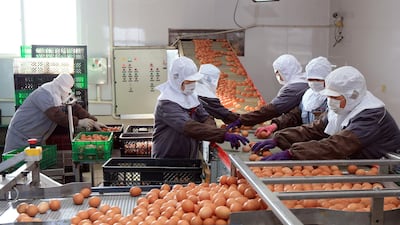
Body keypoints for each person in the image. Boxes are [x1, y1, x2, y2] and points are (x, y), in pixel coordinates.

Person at [252, 66, 400, 160]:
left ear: (352, 95)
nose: (330, 102)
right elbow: (314, 129)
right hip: (362, 164)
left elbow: (337, 145)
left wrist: (293, 153)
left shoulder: (370, 114)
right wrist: (279, 139)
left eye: (334, 98)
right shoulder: (345, 107)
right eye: (328, 97)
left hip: (386, 171)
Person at [152, 56, 249, 159]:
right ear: (177, 80)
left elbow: (206, 117)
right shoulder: (166, 103)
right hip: (168, 159)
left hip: (188, 156)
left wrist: (213, 133)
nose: (192, 85)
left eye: (194, 81)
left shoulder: (191, 97)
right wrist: (222, 135)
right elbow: (189, 127)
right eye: (188, 82)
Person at [4, 73, 105, 153]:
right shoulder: (44, 94)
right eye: (63, 89)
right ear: (57, 84)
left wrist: (93, 120)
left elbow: (75, 107)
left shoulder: (60, 93)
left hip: (36, 138)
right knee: (15, 168)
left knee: (33, 167)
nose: (64, 92)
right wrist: (79, 122)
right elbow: (57, 116)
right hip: (21, 135)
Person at [226, 54, 309, 131]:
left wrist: (241, 119)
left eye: (278, 73)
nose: (278, 76)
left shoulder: (294, 88)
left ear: (285, 72)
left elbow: (272, 110)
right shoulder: (304, 81)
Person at [254, 56, 332, 137]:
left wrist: (285, 137)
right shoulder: (308, 95)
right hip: (306, 141)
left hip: (321, 144)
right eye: (310, 79)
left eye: (317, 80)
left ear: (327, 78)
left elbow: (318, 128)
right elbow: (295, 115)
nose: (313, 83)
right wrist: (275, 125)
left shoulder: (332, 99)